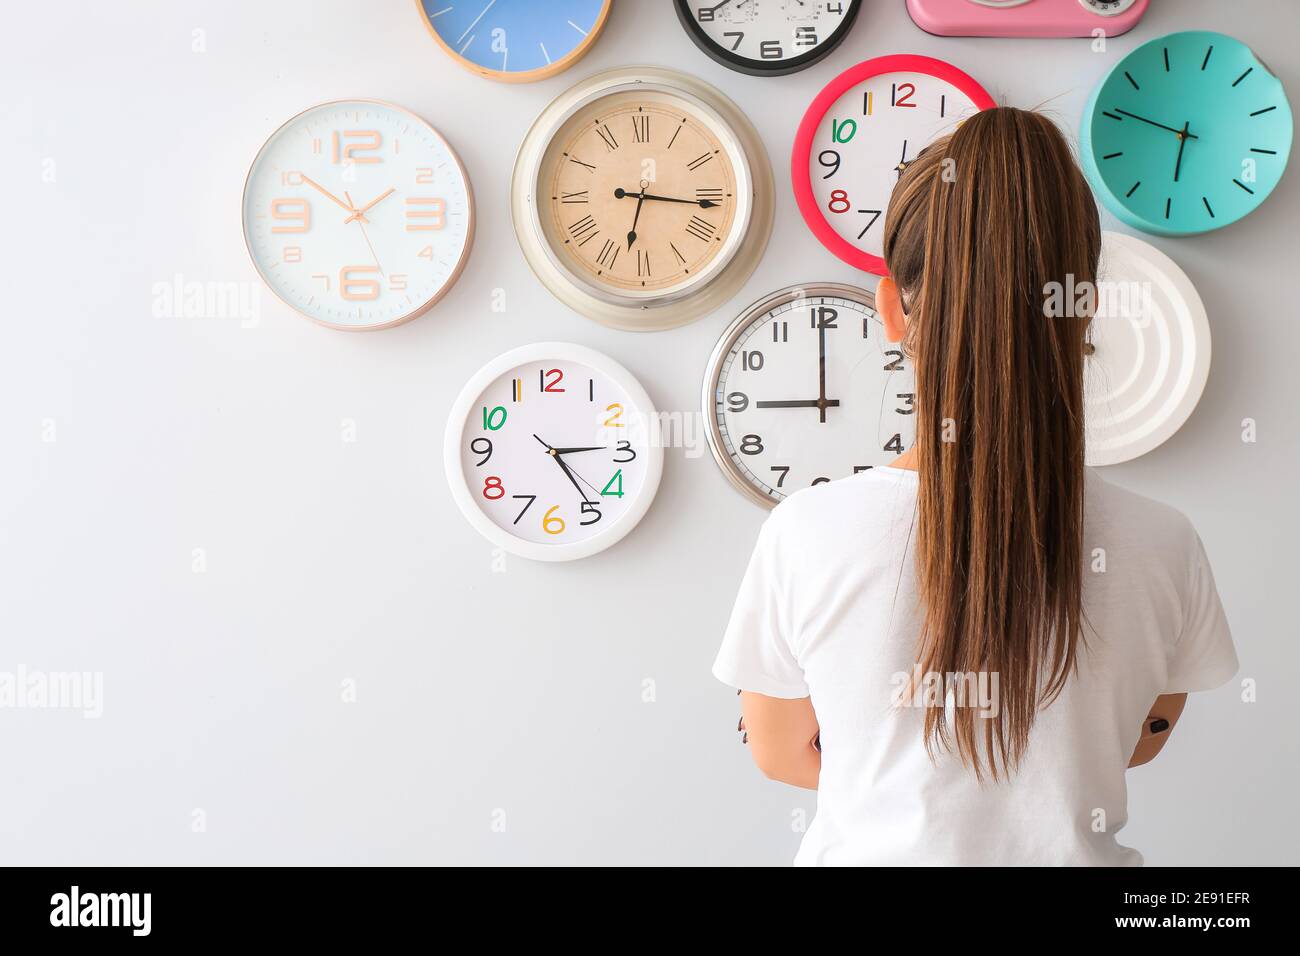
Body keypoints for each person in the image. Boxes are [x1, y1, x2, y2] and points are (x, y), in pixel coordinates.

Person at [713, 107, 1237, 866]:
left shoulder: (807, 532)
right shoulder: (1165, 542)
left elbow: (781, 751)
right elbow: (1132, 743)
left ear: (893, 310)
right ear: (1083, 309)